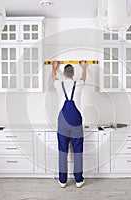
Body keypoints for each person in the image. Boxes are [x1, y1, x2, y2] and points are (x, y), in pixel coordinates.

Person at [52, 60, 87, 188]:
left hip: (62, 123)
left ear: (64, 74)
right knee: (78, 151)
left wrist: (54, 68)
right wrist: (83, 67)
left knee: (63, 151)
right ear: (73, 74)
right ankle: (78, 180)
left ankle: (62, 181)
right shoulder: (79, 83)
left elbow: (54, 77)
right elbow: (84, 77)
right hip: (76, 122)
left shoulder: (58, 84)